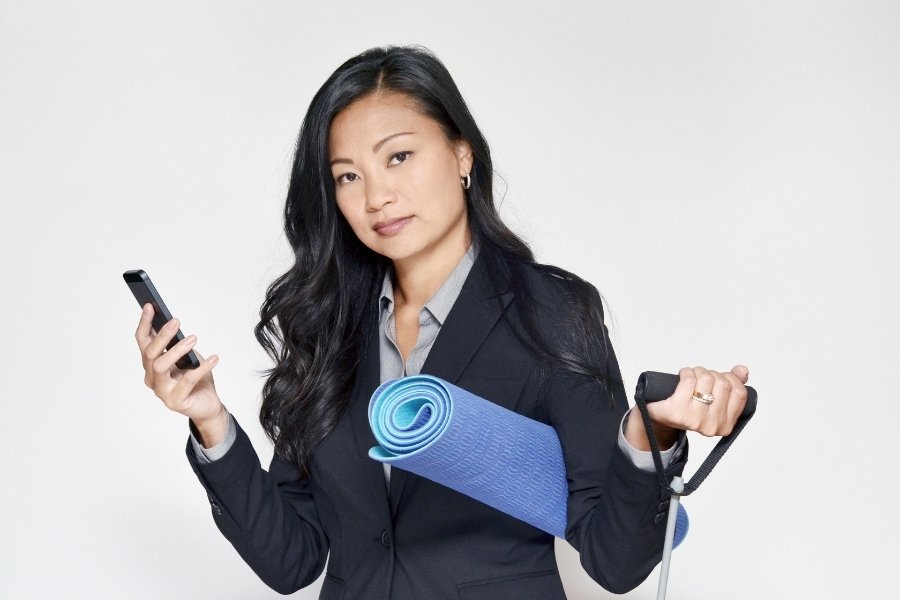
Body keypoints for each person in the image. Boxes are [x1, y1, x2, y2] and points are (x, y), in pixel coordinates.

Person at [133, 46, 749, 599]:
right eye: (348, 176)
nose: (376, 197)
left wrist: (654, 435)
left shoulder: (550, 313)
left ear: (462, 154)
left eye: (398, 157)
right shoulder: (326, 333)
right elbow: (292, 562)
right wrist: (209, 420)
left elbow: (616, 562)